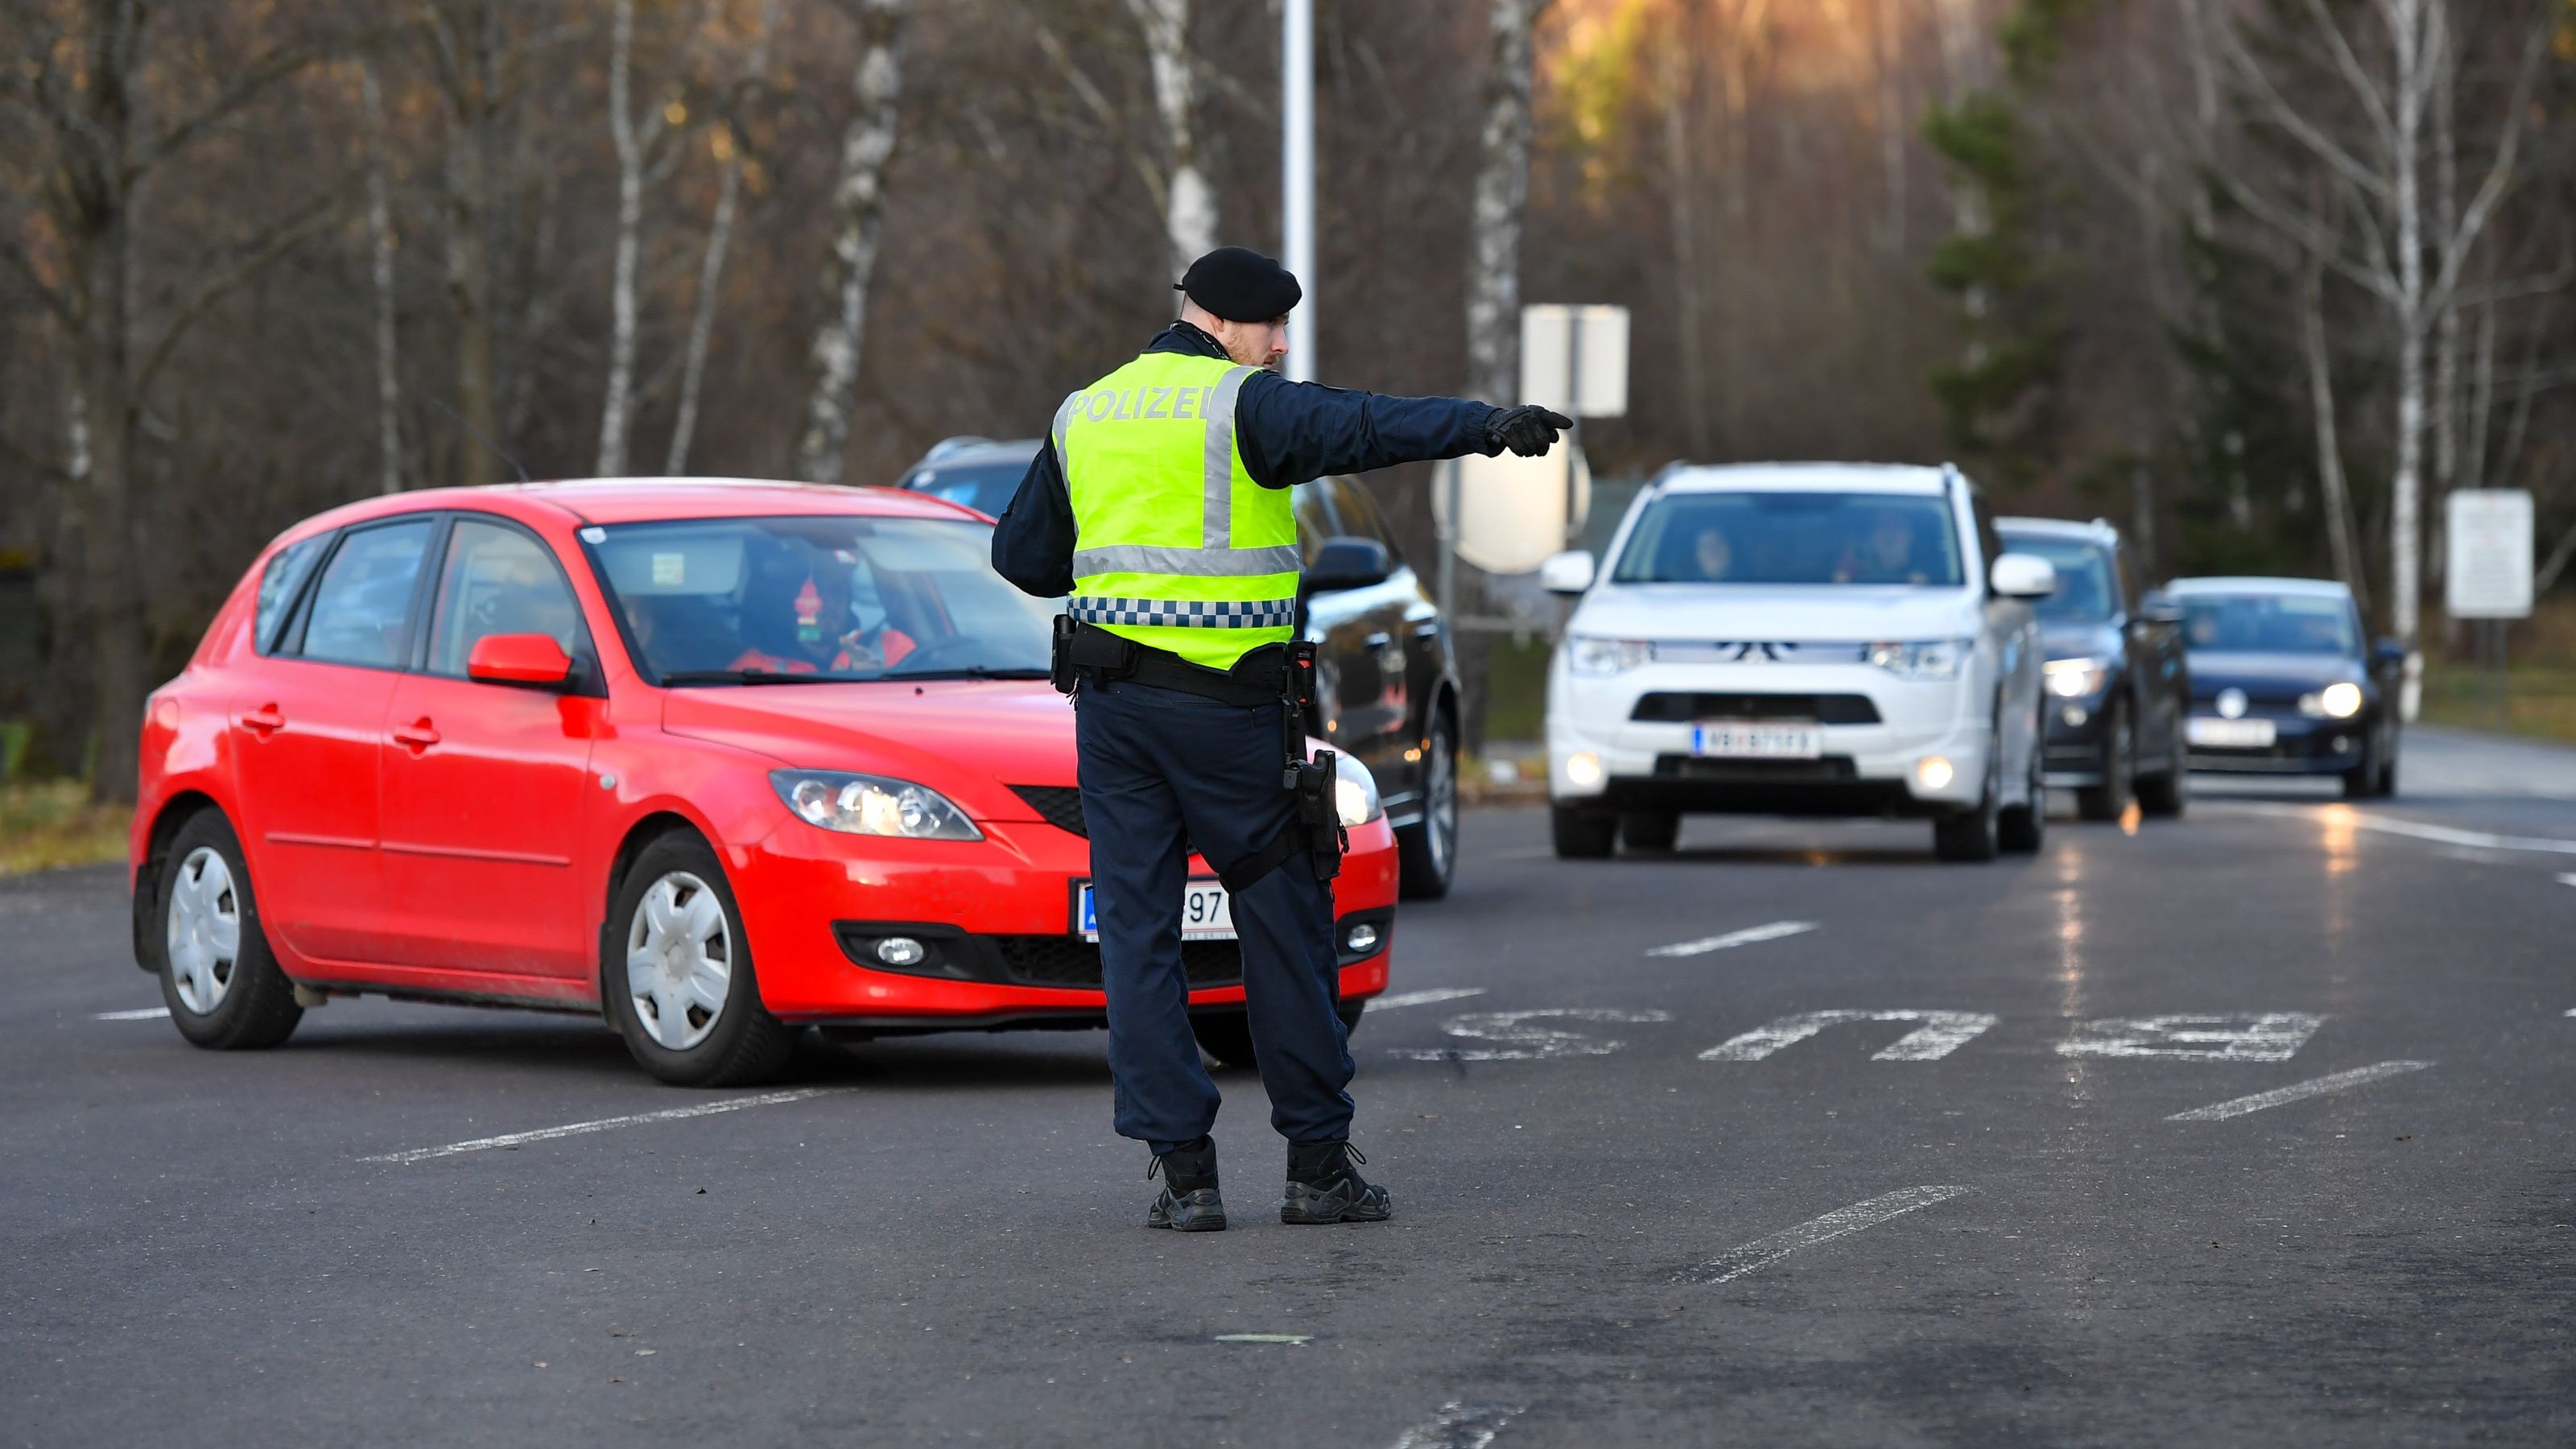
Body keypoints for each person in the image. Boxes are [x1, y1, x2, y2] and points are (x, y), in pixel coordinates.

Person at [992, 246, 1569, 1232]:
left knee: (1137, 934)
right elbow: (1364, 423)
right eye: (1271, 329)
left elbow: (1020, 557)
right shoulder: (1241, 405)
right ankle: (1315, 1167)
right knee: (1282, 920)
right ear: (1221, 323)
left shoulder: (1084, 411)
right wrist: (1484, 427)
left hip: (1115, 719)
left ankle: (1183, 1178)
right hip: (1227, 716)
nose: (1281, 347)